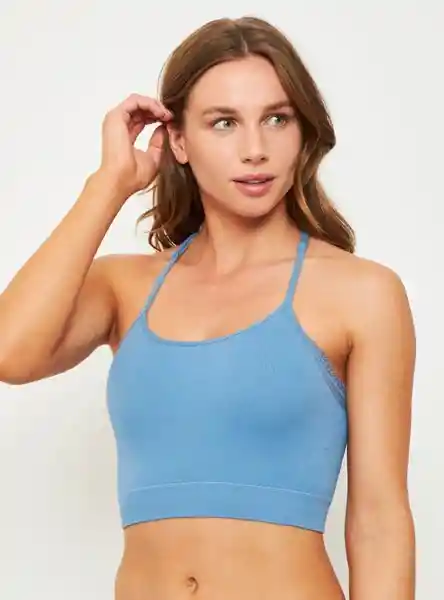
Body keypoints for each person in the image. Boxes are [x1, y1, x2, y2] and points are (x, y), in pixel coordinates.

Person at [0, 15, 416, 600]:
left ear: (302, 132)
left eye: (277, 119)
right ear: (178, 141)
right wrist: (109, 183)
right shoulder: (125, 287)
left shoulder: (362, 293)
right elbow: (10, 352)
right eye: (224, 123)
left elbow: (378, 521)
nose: (255, 149)